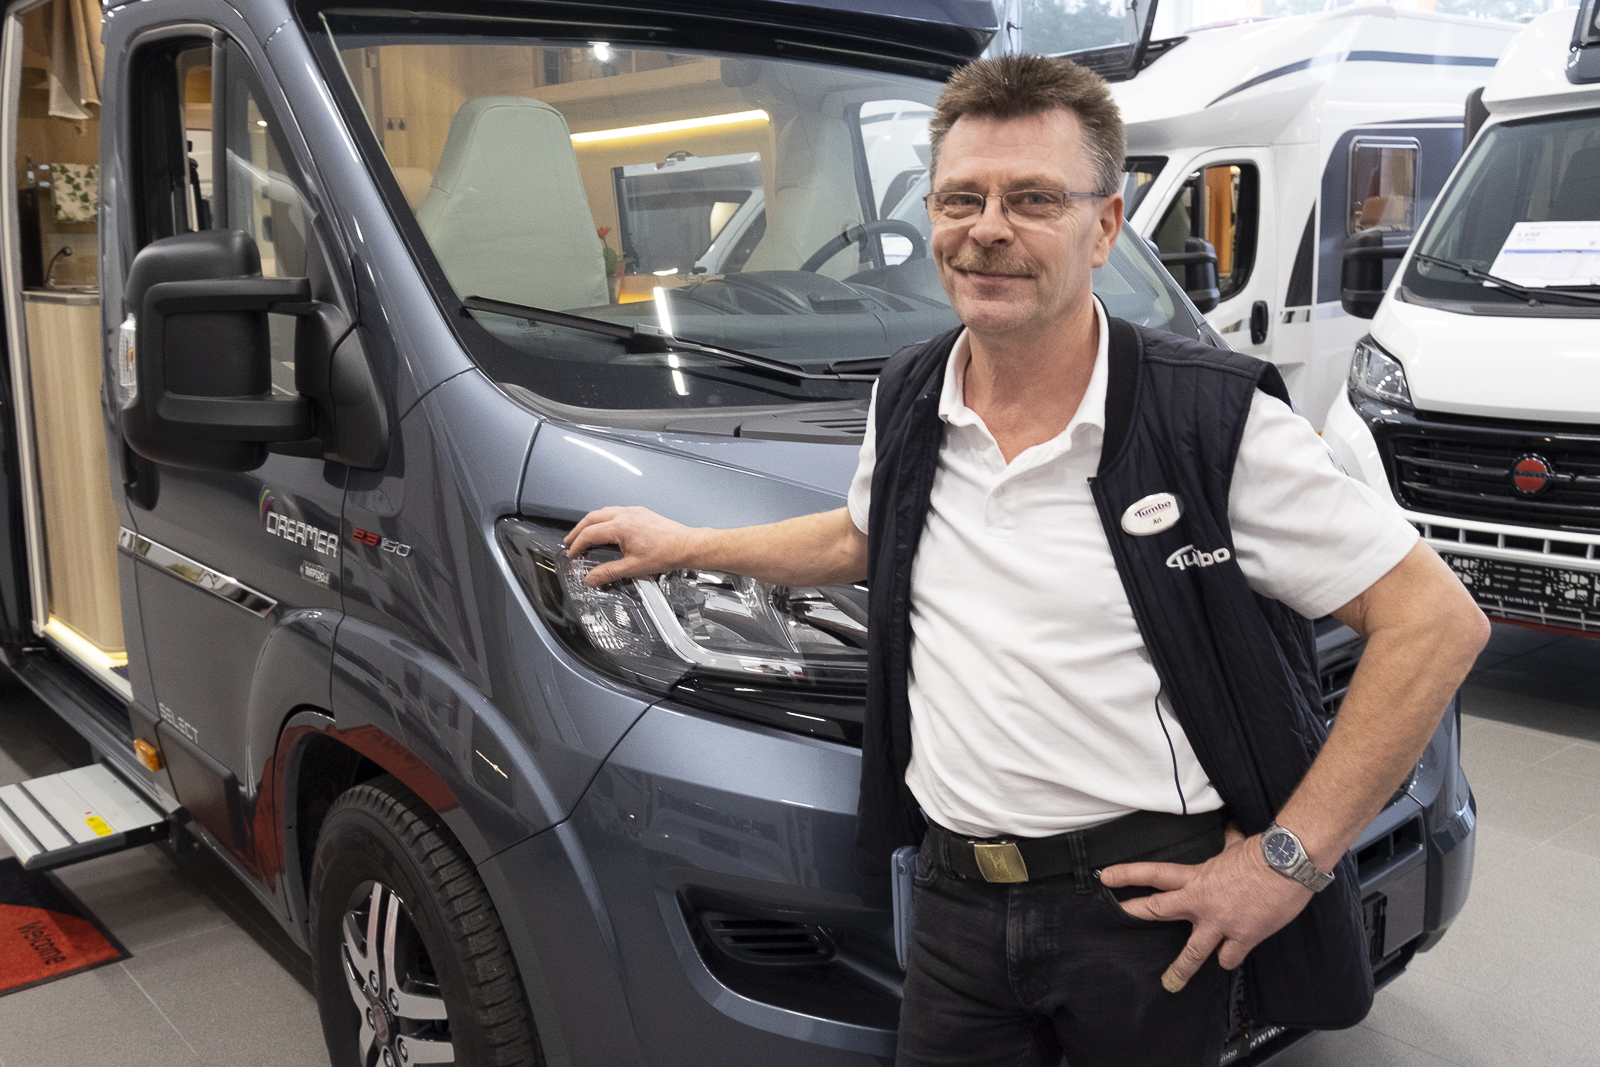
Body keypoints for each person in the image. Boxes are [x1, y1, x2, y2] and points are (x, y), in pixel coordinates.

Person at [565, 54, 1488, 1067]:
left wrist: (1285, 860)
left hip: (1141, 913)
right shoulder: (910, 393)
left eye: (1033, 199)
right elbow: (862, 536)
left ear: (1105, 225)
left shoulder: (1212, 419)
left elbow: (1434, 622)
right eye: (961, 198)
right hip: (956, 903)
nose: (988, 229)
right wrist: (688, 543)